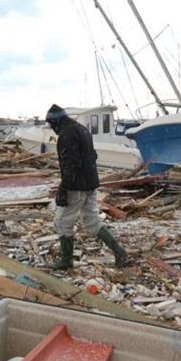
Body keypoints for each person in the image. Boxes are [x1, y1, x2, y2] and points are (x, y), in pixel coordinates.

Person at [45, 104, 129, 269]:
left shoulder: (67, 135)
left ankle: (66, 259)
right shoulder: (82, 129)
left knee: (62, 221)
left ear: (58, 122)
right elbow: (93, 155)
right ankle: (118, 250)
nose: (52, 128)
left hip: (76, 185)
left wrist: (63, 189)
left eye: (52, 124)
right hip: (90, 184)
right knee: (92, 221)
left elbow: (71, 164)